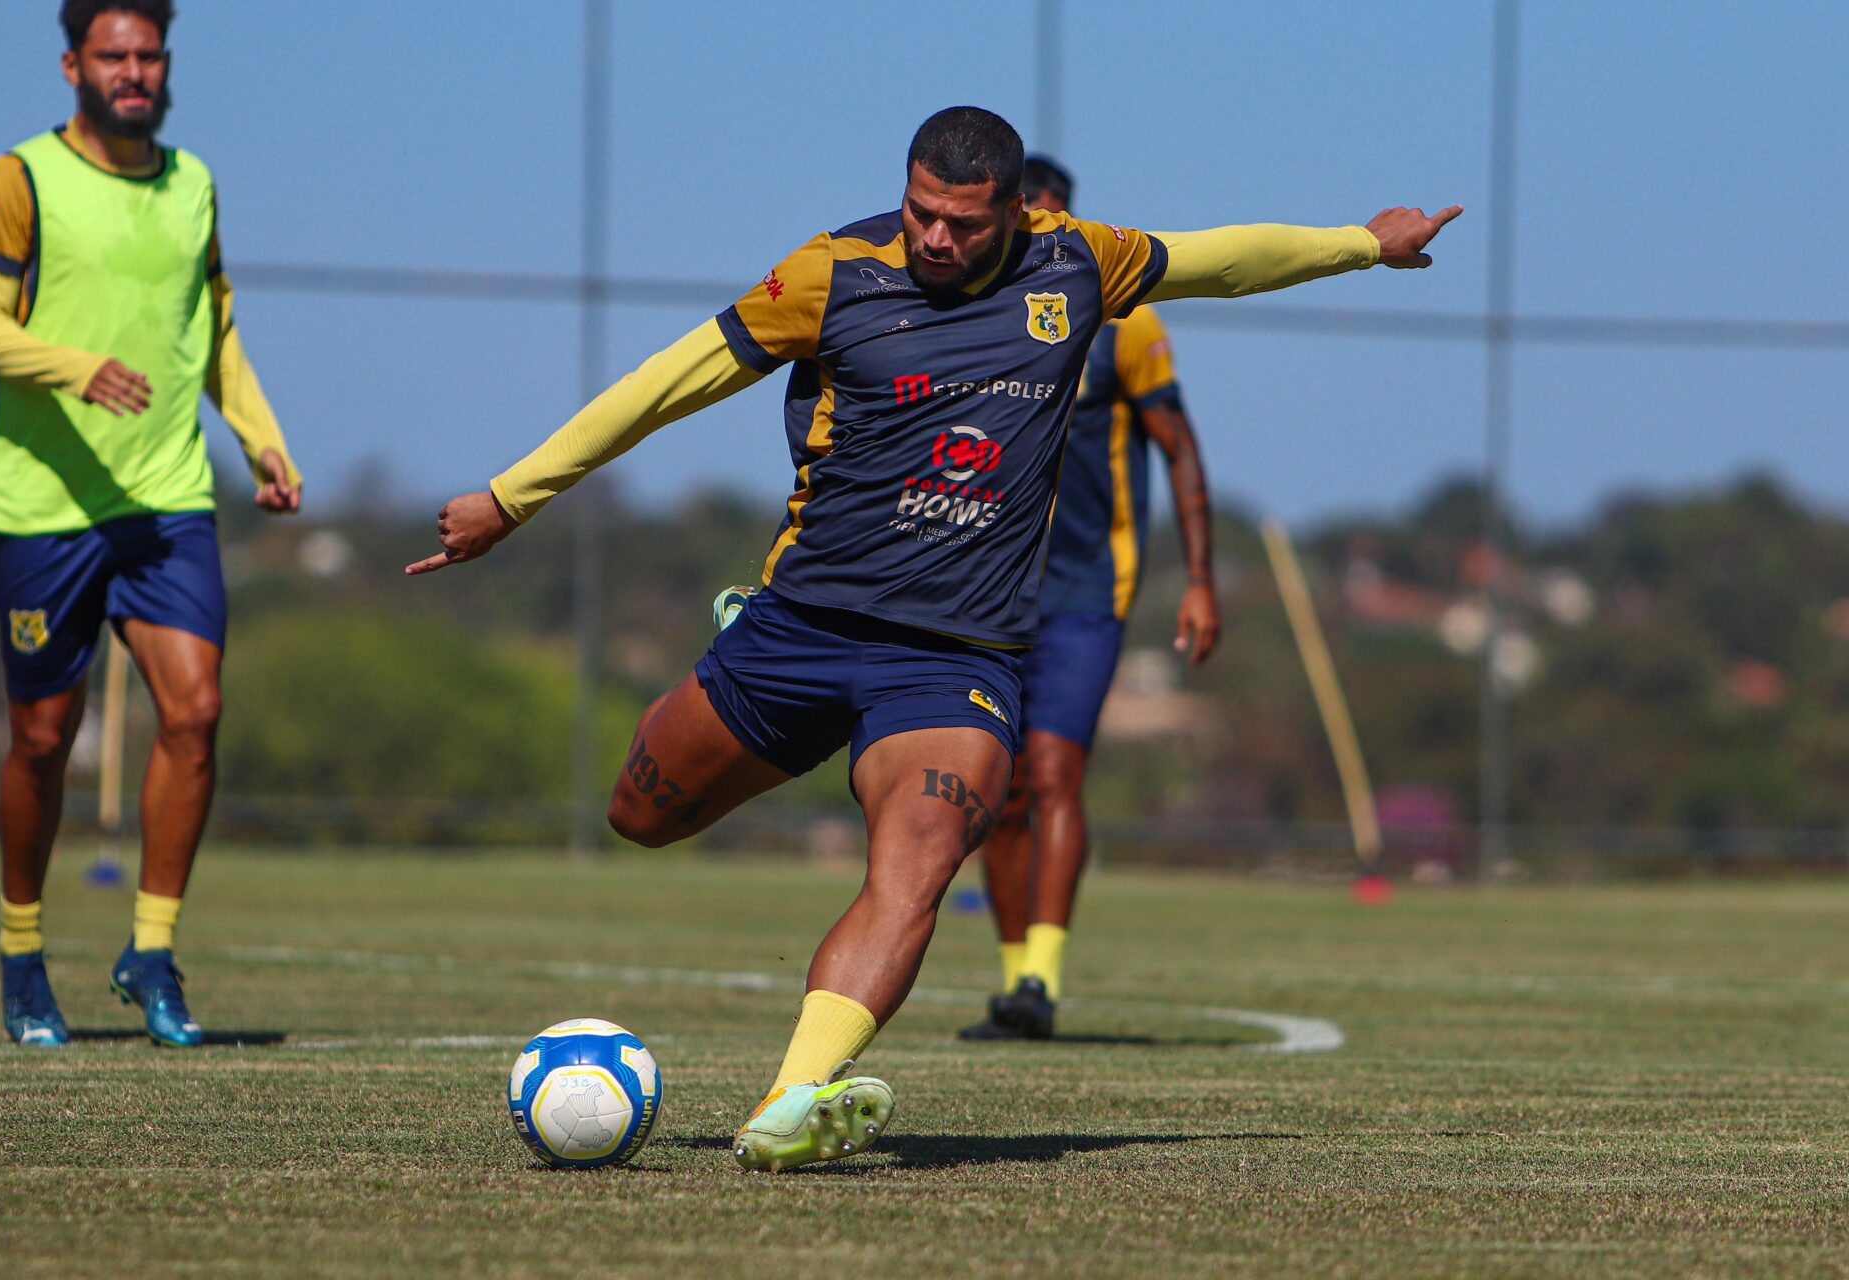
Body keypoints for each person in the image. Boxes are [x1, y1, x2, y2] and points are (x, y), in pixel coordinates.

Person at [409, 105, 1457, 1169]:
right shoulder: (833, 272)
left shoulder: (1075, 264)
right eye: (922, 213)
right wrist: (514, 495)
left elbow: (1223, 261)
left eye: (962, 221)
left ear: (1016, 211)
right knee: (639, 813)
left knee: (916, 861)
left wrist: (1365, 244)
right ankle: (744, 641)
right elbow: (671, 381)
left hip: (954, 658)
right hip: (803, 626)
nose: (936, 239)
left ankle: (791, 1100)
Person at [0, 0, 303, 1048]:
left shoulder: (193, 184)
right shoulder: (18, 181)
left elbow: (218, 329)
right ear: (73, 65)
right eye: (115, 54)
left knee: (195, 713)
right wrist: (73, 366)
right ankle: (22, 956)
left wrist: (261, 435)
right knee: (41, 739)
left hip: (167, 499)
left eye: (150, 52)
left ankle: (152, 950)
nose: (136, 70)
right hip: (44, 508)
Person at [960, 156, 1219, 1041]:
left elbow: (1179, 449)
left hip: (1084, 592)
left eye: (1053, 210)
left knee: (1055, 773)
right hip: (984, 592)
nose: (1042, 222)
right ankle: (1007, 982)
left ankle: (1042, 979)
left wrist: (1201, 583)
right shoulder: (972, 321)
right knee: (995, 790)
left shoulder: (1127, 324)